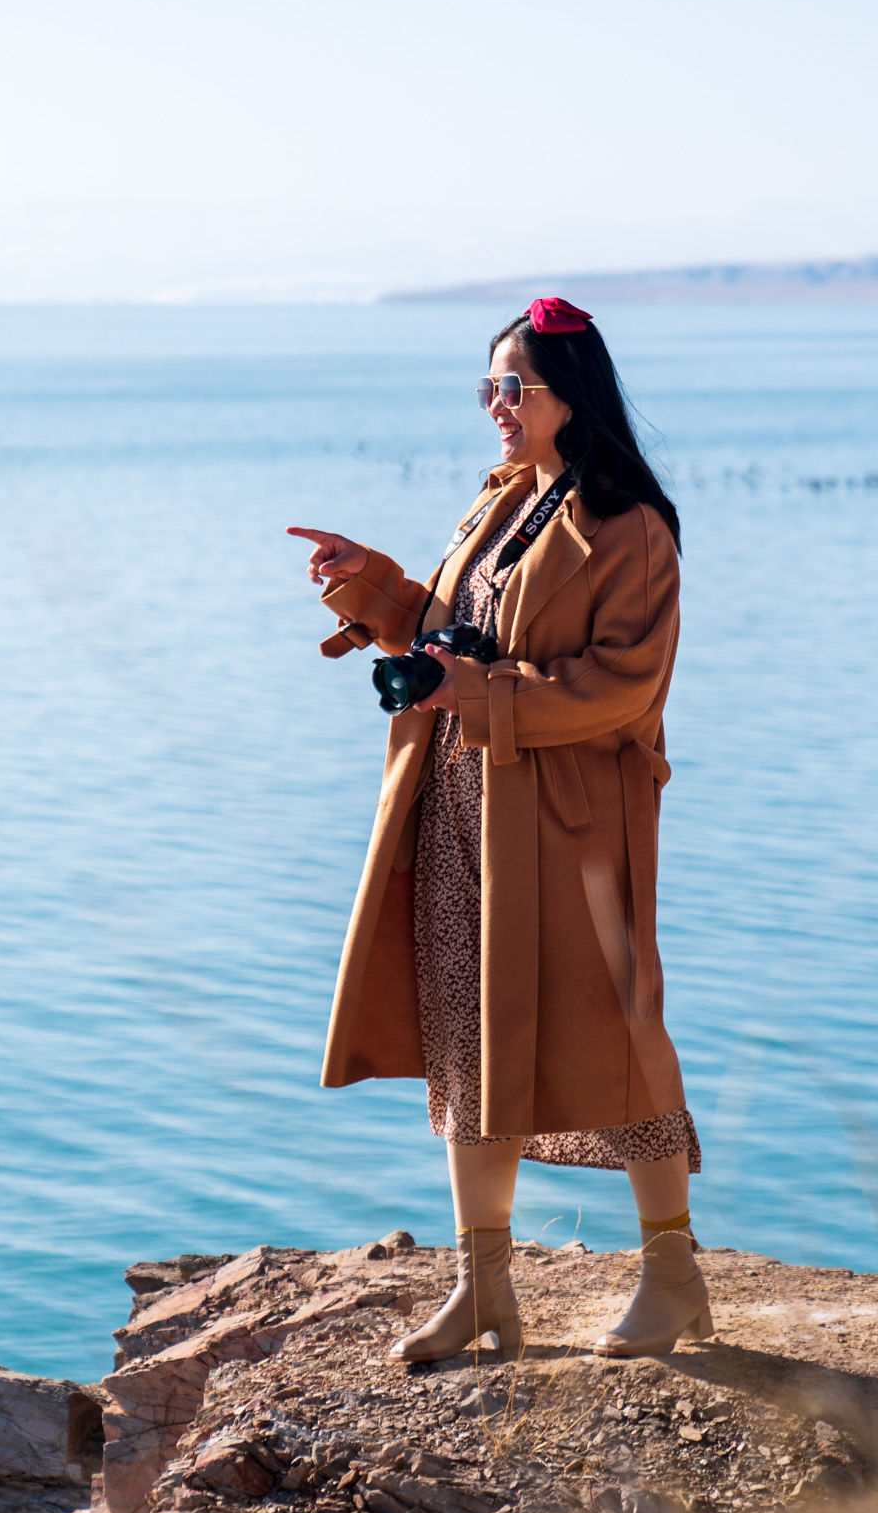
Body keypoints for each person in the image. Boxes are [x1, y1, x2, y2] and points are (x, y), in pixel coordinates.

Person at [287, 297, 706, 1362]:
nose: (495, 407)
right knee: (465, 1036)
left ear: (572, 394)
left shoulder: (630, 527)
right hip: (464, 801)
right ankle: (484, 1290)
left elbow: (620, 687)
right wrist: (375, 586)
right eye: (487, 387)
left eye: (512, 387)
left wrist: (472, 690)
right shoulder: (503, 501)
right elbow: (454, 631)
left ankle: (673, 1277)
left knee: (620, 1037)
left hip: (569, 823)